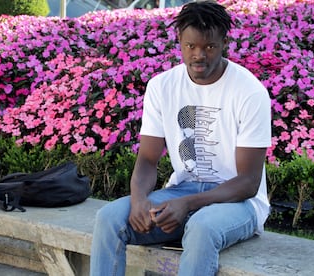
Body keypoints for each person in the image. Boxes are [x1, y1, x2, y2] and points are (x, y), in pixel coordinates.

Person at [90, 1, 271, 275]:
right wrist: (139, 201)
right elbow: (148, 160)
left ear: (224, 42)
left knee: (202, 227)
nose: (199, 55)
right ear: (179, 41)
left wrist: (187, 205)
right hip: (182, 191)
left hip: (238, 203)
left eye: (209, 47)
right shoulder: (162, 86)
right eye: (191, 46)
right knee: (109, 218)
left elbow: (248, 182)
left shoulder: (250, 92)